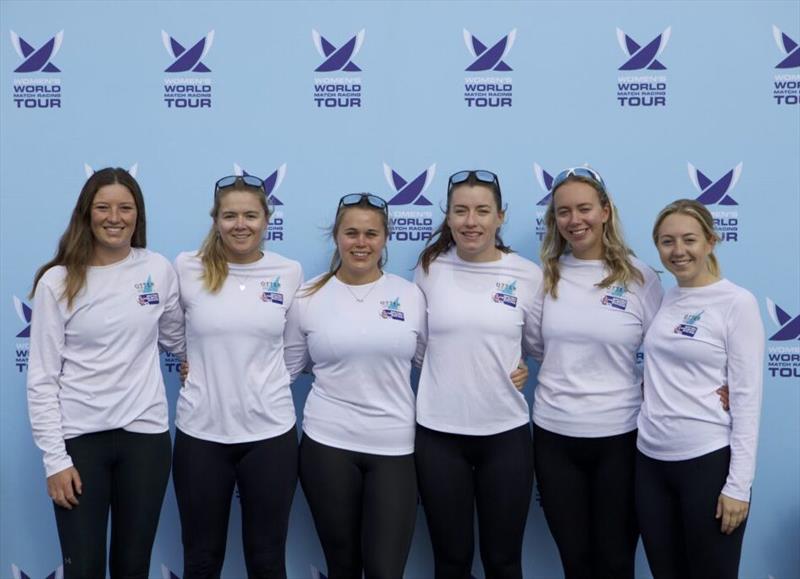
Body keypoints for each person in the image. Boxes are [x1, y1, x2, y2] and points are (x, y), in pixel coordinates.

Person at [27, 167, 184, 579]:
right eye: (103, 207)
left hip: (145, 440)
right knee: (85, 569)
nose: (114, 217)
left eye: (125, 208)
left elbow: (177, 339)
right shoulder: (57, 282)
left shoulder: (158, 269)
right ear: (86, 213)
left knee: (133, 567)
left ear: (138, 215)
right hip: (80, 442)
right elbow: (42, 378)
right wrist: (54, 461)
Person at [283, 193, 424, 579]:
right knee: (342, 568)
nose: (361, 242)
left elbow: (435, 365)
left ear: (385, 239)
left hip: (394, 447)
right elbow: (286, 369)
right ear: (336, 237)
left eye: (371, 233)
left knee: (384, 571)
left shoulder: (410, 296)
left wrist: (507, 369)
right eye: (351, 233)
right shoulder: (308, 297)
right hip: (328, 446)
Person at [532, 166, 663, 579]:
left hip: (620, 440)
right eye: (564, 212)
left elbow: (668, 351)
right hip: (555, 438)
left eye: (584, 208)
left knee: (615, 563)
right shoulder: (545, 278)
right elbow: (535, 347)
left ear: (605, 211)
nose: (575, 220)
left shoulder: (641, 278)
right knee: (576, 564)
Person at [172, 175, 303, 579]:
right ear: (215, 220)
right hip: (201, 434)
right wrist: (187, 359)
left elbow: (295, 349)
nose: (240, 224)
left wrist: (269, 385)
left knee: (266, 561)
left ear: (266, 220)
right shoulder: (187, 267)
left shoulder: (289, 271)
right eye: (230, 215)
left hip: (270, 435)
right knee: (201, 560)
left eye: (250, 215)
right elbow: (171, 329)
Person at [413, 170, 541, 579]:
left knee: (503, 562)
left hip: (505, 434)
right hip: (439, 434)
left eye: (483, 211)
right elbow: (417, 344)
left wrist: (517, 364)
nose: (472, 221)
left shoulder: (526, 274)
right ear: (447, 217)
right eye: (461, 211)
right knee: (451, 562)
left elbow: (539, 343)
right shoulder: (430, 267)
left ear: (500, 217)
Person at [636, 199, 764, 579]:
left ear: (711, 240)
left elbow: (747, 399)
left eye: (689, 239)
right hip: (650, 462)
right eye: (667, 241)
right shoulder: (663, 295)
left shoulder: (737, 303)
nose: (678, 251)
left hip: (706, 462)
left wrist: (738, 486)